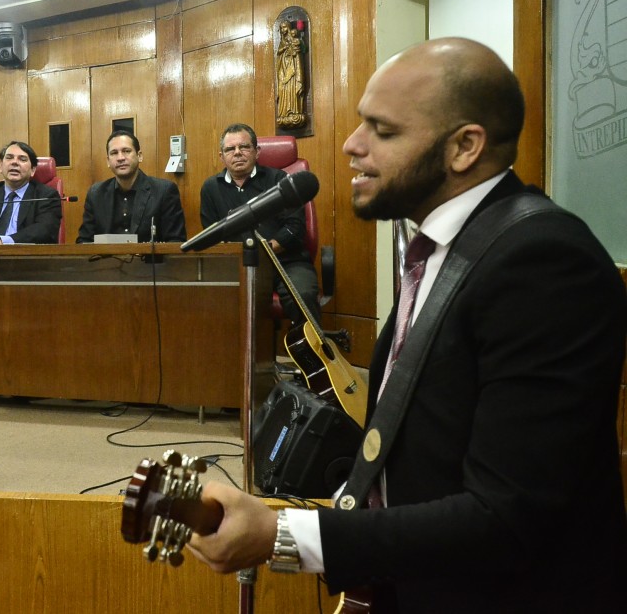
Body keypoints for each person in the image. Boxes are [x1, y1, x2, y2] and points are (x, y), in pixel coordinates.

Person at [188, 38, 627, 613]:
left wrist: (285, 535)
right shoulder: (442, 247)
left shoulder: (544, 261)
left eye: (383, 130)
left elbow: (504, 518)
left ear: (464, 147)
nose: (351, 144)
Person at [200, 123, 320, 325]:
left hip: (285, 262)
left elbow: (294, 228)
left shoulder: (279, 179)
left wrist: (264, 251)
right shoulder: (211, 188)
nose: (237, 153)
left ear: (257, 152)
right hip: (237, 266)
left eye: (244, 147)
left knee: (303, 296)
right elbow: (213, 235)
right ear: (221, 156)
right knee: (210, 298)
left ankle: (311, 354)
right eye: (230, 149)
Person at [76, 130, 186, 243]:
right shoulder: (96, 194)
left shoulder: (164, 191)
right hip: (105, 260)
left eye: (126, 151)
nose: (120, 158)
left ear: (139, 156)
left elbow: (175, 242)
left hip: (149, 260)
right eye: (114, 153)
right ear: (108, 161)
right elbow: (84, 241)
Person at [0, 141, 62, 244]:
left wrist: (2, 241)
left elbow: (44, 231)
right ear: (1, 166)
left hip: (26, 257)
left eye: (22, 159)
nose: (14, 162)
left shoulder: (47, 196)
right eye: (9, 157)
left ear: (33, 170)